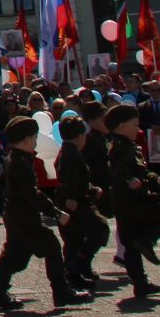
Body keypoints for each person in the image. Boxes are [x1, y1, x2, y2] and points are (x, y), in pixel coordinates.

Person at [0, 116, 81, 312]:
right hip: (23, 216)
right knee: (50, 246)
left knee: (14, 255)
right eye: (35, 138)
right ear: (27, 140)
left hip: (17, 214)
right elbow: (31, 194)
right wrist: (55, 212)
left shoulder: (16, 158)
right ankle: (61, 292)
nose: (37, 143)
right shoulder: (20, 163)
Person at [104, 102, 160, 300]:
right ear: (121, 126)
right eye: (134, 124)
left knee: (130, 242)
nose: (138, 128)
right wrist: (128, 180)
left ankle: (141, 284)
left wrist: (154, 178)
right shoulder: (118, 146)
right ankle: (147, 241)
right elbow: (117, 170)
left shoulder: (128, 145)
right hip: (128, 198)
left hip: (128, 197)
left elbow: (140, 169)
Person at [53, 116, 107, 289]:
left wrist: (92, 188)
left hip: (73, 199)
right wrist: (71, 198)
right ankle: (80, 263)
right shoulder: (70, 154)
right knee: (100, 227)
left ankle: (75, 274)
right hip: (75, 201)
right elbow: (68, 179)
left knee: (74, 238)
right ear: (79, 136)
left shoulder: (69, 151)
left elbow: (79, 178)